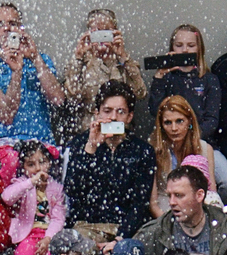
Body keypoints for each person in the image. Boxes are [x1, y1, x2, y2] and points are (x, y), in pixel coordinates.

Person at [63, 81, 156, 242]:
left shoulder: (142, 151)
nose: (113, 117)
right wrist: (91, 148)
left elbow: (140, 204)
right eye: (107, 111)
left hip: (128, 230)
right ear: (97, 113)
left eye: (120, 112)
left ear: (129, 116)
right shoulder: (79, 144)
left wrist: (120, 238)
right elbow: (72, 191)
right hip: (87, 227)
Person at [0, 3, 64, 145]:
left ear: (21, 30)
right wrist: (17, 71)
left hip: (42, 144)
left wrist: (35, 58)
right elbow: (6, 116)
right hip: (5, 145)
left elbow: (58, 100)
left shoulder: (41, 60)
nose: (6, 28)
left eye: (12, 23)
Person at [62, 7, 145, 143]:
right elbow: (73, 97)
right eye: (96, 31)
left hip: (122, 135)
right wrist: (78, 57)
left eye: (106, 31)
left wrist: (123, 58)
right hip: (90, 133)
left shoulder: (123, 62)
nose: (101, 36)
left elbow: (140, 92)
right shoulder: (82, 63)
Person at [135, 166, 227, 255]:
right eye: (169, 195)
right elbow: (131, 251)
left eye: (179, 195)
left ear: (199, 195)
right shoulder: (158, 230)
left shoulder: (223, 226)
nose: (172, 202)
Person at [1, 140, 65, 255]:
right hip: (27, 236)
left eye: (42, 162)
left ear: (49, 163)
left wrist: (48, 238)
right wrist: (31, 183)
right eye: (31, 164)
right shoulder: (22, 184)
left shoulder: (56, 188)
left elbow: (58, 218)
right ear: (23, 167)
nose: (37, 168)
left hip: (50, 236)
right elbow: (7, 197)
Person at [148, 25, 221, 148]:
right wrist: (159, 78)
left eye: (191, 45)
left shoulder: (209, 79)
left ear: (199, 49)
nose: (185, 50)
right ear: (172, 48)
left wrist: (191, 137)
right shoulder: (167, 77)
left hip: (200, 142)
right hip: (169, 143)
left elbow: (211, 120)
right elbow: (155, 110)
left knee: (223, 168)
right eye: (179, 45)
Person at [149, 96, 218, 217]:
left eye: (180, 121)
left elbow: (211, 193)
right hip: (165, 210)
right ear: (161, 126)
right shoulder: (153, 150)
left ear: (190, 121)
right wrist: (169, 224)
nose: (174, 128)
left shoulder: (205, 149)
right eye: (168, 122)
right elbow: (153, 204)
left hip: (197, 212)